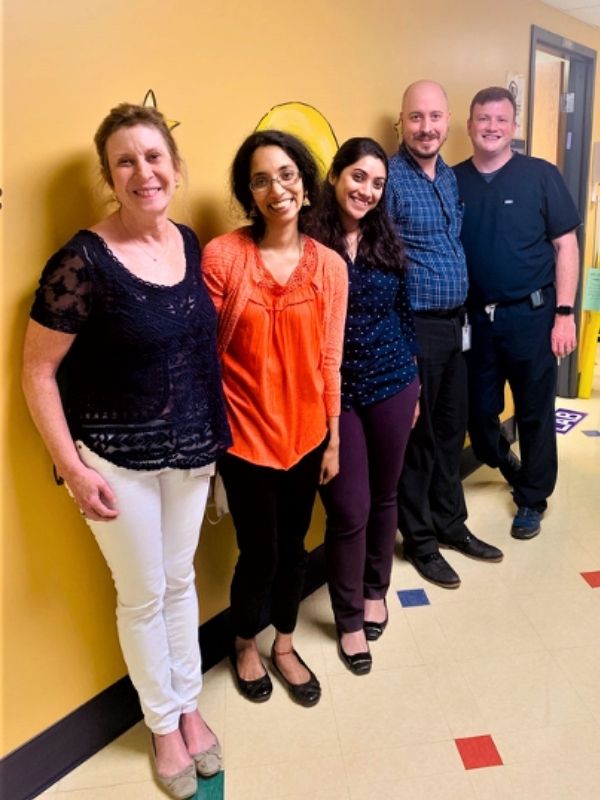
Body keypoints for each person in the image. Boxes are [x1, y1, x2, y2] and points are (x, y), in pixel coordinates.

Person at [22, 104, 231, 800]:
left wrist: (214, 446)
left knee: (179, 584)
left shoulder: (191, 242)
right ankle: (163, 726)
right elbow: (38, 372)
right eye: (125, 161)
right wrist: (74, 468)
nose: (144, 172)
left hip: (190, 453)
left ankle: (191, 706)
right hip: (115, 463)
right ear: (110, 177)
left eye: (153, 156)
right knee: (141, 596)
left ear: (174, 162)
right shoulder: (81, 262)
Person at [202, 130, 347, 706]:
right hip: (243, 440)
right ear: (249, 192)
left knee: (295, 549)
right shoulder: (224, 256)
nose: (275, 189)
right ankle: (243, 642)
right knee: (258, 553)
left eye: (286, 175)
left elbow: (330, 359)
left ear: (307, 187)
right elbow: (204, 355)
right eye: (260, 179)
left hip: (307, 435)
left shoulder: (330, 267)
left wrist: (334, 439)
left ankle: (283, 642)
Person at [386, 80, 503, 589]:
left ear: (448, 120)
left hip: (457, 326)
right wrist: (401, 343)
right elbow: (382, 263)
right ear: (401, 122)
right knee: (419, 439)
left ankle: (452, 525)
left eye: (434, 117)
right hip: (417, 328)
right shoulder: (390, 179)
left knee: (453, 431)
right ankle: (421, 541)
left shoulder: (448, 178)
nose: (426, 127)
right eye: (416, 117)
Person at [310, 138, 419, 674]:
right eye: (358, 177)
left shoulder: (386, 242)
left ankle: (377, 589)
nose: (366, 191)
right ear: (335, 177)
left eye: (377, 183)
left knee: (385, 495)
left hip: (394, 384)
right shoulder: (308, 241)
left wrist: (414, 384)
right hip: (335, 397)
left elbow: (404, 315)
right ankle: (349, 618)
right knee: (348, 508)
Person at [454, 86, 580, 539]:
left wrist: (565, 314)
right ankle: (500, 456)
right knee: (479, 414)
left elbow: (566, 245)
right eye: (483, 119)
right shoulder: (452, 181)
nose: (491, 127)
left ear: (514, 127)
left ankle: (532, 498)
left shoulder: (541, 176)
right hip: (474, 322)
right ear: (469, 126)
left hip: (532, 316)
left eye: (500, 119)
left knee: (534, 411)